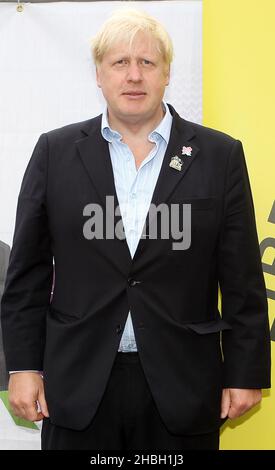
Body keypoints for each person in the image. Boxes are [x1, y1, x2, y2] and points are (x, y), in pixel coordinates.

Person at [0, 9, 271, 451]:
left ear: (166, 73)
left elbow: (242, 278)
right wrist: (23, 366)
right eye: (119, 62)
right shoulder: (55, 152)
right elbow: (27, 274)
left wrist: (245, 373)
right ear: (99, 75)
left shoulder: (220, 156)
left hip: (183, 386)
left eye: (147, 62)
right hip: (78, 383)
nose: (133, 75)